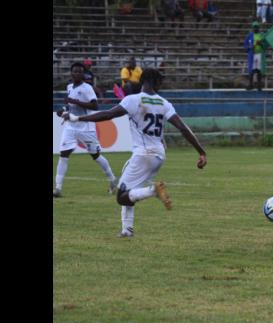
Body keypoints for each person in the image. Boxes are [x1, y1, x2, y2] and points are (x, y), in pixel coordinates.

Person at [62, 69, 207, 238]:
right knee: (128, 188)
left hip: (144, 154)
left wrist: (78, 118)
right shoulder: (164, 103)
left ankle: (153, 190)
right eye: (160, 81)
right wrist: (201, 152)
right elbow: (182, 128)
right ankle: (127, 230)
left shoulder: (133, 100)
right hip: (158, 154)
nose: (161, 84)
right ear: (152, 81)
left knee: (121, 197)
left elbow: (108, 114)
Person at [54, 62, 118, 198]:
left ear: (83, 74)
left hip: (86, 126)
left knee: (95, 156)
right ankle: (58, 188)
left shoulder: (87, 88)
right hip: (70, 126)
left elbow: (95, 106)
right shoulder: (69, 86)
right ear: (71, 73)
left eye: (80, 72)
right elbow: (70, 106)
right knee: (64, 154)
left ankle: (112, 180)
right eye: (75, 71)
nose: (77, 74)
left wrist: (75, 101)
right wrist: (63, 111)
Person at [244, 21, 267, 91]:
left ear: (259, 28)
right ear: (252, 28)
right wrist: (251, 47)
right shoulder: (249, 36)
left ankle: (259, 85)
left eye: (257, 27)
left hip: (260, 54)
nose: (256, 28)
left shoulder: (262, 35)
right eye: (254, 27)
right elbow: (245, 46)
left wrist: (261, 44)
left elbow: (266, 45)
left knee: (259, 70)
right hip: (252, 55)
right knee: (252, 70)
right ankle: (251, 84)